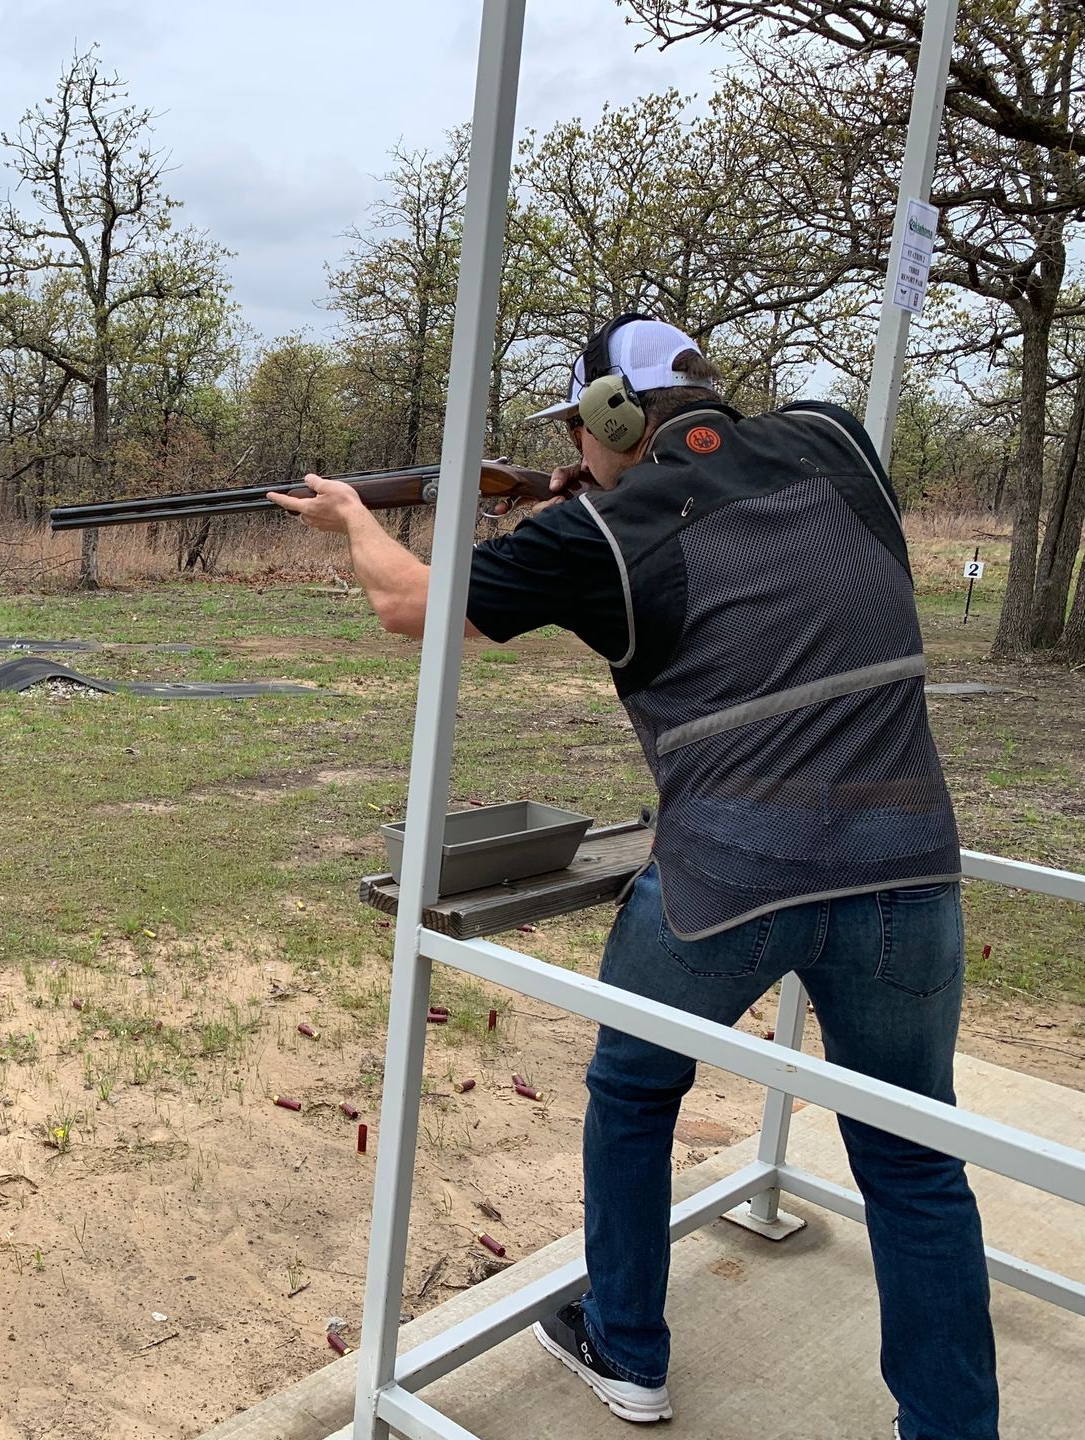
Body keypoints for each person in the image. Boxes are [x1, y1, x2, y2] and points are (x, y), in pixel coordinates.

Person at [269, 315, 996, 1440]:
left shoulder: (599, 530)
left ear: (609, 417)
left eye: (579, 425)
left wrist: (357, 517)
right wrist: (586, 497)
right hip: (906, 867)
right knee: (914, 1163)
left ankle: (625, 1346)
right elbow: (745, 529)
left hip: (727, 883)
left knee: (634, 1093)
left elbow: (409, 606)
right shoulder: (836, 439)